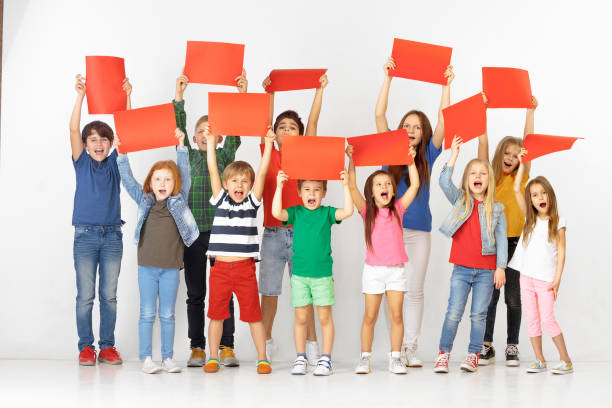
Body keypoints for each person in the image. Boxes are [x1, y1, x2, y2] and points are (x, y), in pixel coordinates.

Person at [375, 57, 454, 366]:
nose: (410, 129)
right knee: (391, 290)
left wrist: (446, 85)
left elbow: (443, 119)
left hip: (419, 232)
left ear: (423, 134)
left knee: (415, 290)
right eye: (406, 125)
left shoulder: (429, 155)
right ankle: (397, 348)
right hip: (389, 233)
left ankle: (411, 347)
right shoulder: (387, 151)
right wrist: (388, 79)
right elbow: (379, 113)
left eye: (416, 126)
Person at [173, 70, 247, 367]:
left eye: (211, 130)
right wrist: (179, 97)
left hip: (222, 236)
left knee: (223, 294)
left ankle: (226, 345)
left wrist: (242, 95)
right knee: (196, 293)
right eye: (201, 131)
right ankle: (197, 347)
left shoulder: (226, 155)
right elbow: (177, 128)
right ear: (194, 138)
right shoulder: (188, 156)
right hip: (193, 235)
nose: (206, 134)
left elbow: (237, 128)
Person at [258, 74, 328, 364]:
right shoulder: (269, 155)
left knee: (307, 293)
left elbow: (313, 123)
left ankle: (312, 345)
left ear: (300, 133)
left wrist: (319, 90)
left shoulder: (306, 156)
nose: (287, 130)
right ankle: (266, 343)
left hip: (302, 233)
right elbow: (265, 122)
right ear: (275, 134)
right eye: (281, 127)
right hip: (273, 233)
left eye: (292, 127)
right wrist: (270, 92)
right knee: (270, 292)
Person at [116, 129, 198, 374]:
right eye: (158, 179)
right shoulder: (145, 201)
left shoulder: (179, 200)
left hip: (171, 268)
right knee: (147, 313)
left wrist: (181, 145)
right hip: (147, 268)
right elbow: (128, 180)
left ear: (176, 184)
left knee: (168, 315)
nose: (163, 184)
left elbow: (185, 172)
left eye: (168, 180)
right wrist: (122, 154)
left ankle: (168, 358)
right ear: (150, 183)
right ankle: (146, 359)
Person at [203, 126, 276, 374]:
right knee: (216, 315)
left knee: (254, 316)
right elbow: (213, 169)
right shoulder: (220, 199)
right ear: (225, 184)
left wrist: (267, 145)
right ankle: (212, 356)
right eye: (234, 181)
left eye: (245, 181)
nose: (240, 184)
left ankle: (262, 358)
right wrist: (211, 143)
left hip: (244, 269)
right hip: (220, 269)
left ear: (250, 186)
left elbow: (263, 172)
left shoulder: (252, 203)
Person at [69, 74, 131, 366]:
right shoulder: (81, 162)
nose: (98, 144)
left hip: (112, 237)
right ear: (84, 144)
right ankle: (86, 347)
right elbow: (72, 128)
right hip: (85, 236)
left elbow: (129, 131)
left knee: (109, 296)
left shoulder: (115, 164)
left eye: (103, 140)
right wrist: (81, 95)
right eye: (92, 140)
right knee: (85, 296)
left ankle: (107, 346)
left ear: (109, 144)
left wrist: (127, 96)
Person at [433, 136, 507, 373]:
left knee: (478, 315)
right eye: (473, 173)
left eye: (483, 173)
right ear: (467, 179)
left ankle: (473, 354)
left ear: (489, 180)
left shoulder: (497, 208)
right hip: (462, 269)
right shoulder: (461, 200)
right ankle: (444, 354)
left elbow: (502, 240)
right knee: (454, 312)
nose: (477, 176)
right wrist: (453, 156)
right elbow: (444, 182)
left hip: (487, 271)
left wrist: (501, 267)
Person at [346, 144, 419, 374]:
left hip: (396, 271)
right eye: (378, 184)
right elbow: (351, 185)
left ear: (394, 191)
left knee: (396, 315)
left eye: (387, 183)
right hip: (373, 272)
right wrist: (352, 160)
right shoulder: (367, 211)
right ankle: (365, 357)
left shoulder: (398, 208)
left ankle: (396, 357)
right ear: (372, 192)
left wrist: (410, 160)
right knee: (370, 315)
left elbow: (415, 184)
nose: (384, 186)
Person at [272, 169, 353, 376]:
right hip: (299, 276)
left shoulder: (327, 213)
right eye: (307, 189)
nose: (312, 193)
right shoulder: (296, 212)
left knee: (324, 317)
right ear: (299, 192)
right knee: (301, 318)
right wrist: (279, 187)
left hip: (322, 276)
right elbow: (276, 213)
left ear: (324, 192)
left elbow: (347, 212)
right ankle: (301, 357)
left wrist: (345, 186)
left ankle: (325, 359)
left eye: (317, 190)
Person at [477, 94, 539, 366]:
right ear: (500, 153)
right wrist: (482, 111)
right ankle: (486, 345)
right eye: (507, 153)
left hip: (517, 244)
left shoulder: (522, 178)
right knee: (490, 298)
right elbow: (482, 142)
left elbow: (530, 141)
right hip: (492, 243)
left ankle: (512, 346)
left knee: (514, 298)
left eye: (516, 155)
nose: (511, 158)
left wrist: (529, 110)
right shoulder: (489, 176)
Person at [509, 154, 573, 374]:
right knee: (532, 319)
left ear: (550, 195)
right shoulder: (530, 218)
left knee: (547, 319)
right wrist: (520, 163)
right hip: (526, 276)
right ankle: (539, 359)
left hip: (546, 280)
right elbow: (517, 189)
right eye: (535, 195)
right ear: (531, 200)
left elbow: (562, 252)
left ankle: (566, 360)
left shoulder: (558, 222)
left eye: (543, 192)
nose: (540, 197)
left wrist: (557, 280)